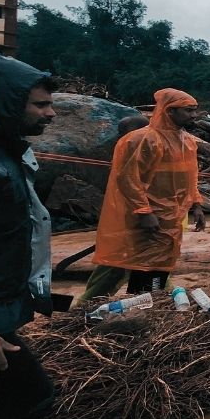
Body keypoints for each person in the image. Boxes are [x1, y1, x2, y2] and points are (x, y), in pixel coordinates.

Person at [0, 52, 61, 419]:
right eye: (40, 104)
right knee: (33, 401)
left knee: (19, 404)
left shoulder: (4, 152)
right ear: (2, 103)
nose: (52, 114)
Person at [91, 89, 206, 295]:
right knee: (118, 264)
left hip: (171, 216)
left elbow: (190, 176)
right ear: (170, 111)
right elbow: (127, 178)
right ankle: (83, 311)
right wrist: (144, 211)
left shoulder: (187, 141)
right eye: (188, 110)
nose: (194, 115)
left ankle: (149, 307)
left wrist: (196, 204)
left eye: (195, 110)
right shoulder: (142, 140)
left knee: (159, 265)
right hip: (141, 217)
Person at [77, 115, 151, 305]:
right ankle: (83, 308)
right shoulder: (127, 153)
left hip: (136, 226)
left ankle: (84, 307)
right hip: (128, 226)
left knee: (133, 268)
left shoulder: (145, 152)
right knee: (119, 268)